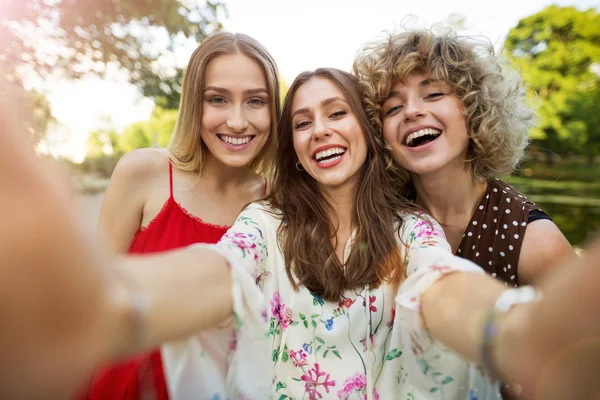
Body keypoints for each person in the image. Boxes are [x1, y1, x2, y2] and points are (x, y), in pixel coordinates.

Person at [78, 31, 280, 400]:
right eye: (218, 99)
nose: (237, 121)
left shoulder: (276, 204)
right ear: (194, 105)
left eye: (255, 101)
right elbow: (90, 305)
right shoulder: (143, 173)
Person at [352, 28, 575, 290]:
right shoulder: (375, 221)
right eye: (393, 108)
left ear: (475, 110)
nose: (412, 111)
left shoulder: (534, 240)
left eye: (433, 94)